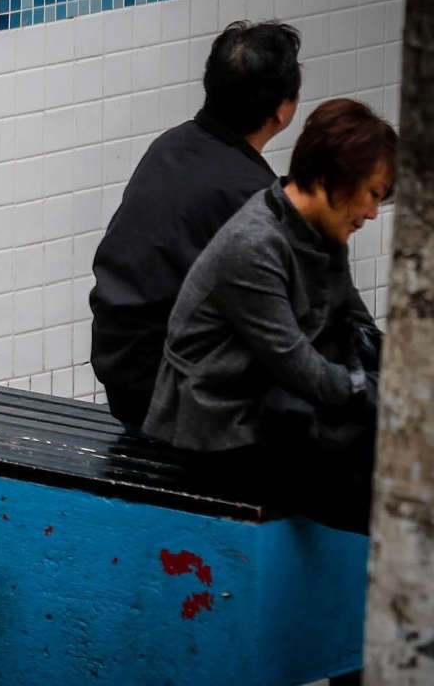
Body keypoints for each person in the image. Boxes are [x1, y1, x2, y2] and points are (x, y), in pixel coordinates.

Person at [142, 98, 397, 535]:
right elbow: (296, 363)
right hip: (220, 429)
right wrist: (381, 397)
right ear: (332, 178)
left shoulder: (320, 231)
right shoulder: (255, 244)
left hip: (272, 403)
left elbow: (354, 322)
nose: (373, 213)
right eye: (372, 195)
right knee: (379, 487)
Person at [89, 20, 302, 433]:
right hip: (173, 396)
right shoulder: (254, 196)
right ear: (283, 110)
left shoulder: (170, 145)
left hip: (122, 373)